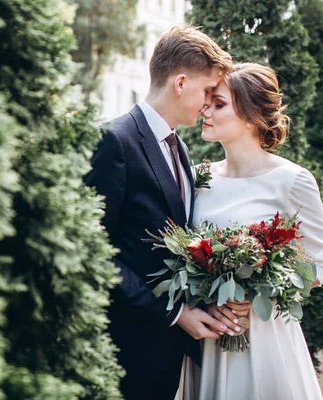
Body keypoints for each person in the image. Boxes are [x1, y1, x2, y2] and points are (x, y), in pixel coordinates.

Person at [85, 26, 239, 400]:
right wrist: (174, 314)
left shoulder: (179, 149)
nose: (207, 103)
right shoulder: (114, 140)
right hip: (126, 350)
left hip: (165, 356)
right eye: (207, 91)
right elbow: (94, 251)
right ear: (180, 82)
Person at [181, 63, 323, 400]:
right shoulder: (196, 177)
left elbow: (320, 265)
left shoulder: (292, 180)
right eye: (208, 101)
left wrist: (257, 294)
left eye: (218, 104)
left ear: (250, 116)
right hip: (209, 333)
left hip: (265, 335)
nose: (205, 109)